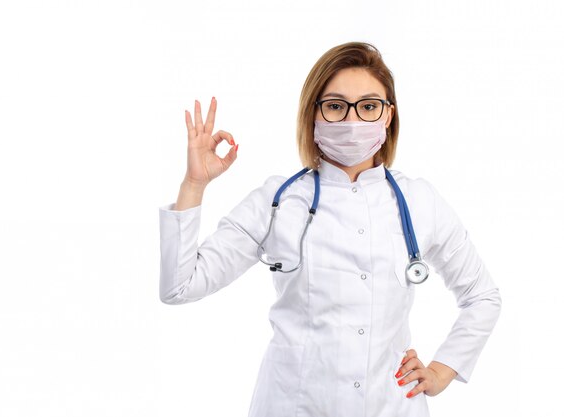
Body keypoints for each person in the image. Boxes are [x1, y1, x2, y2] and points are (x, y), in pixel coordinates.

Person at [158, 41, 502, 417]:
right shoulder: (279, 200)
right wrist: (194, 185)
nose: (353, 121)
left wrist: (441, 370)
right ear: (314, 115)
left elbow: (482, 297)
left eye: (369, 106)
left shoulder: (419, 200)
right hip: (292, 405)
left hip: (389, 406)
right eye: (336, 106)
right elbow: (180, 287)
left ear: (388, 116)